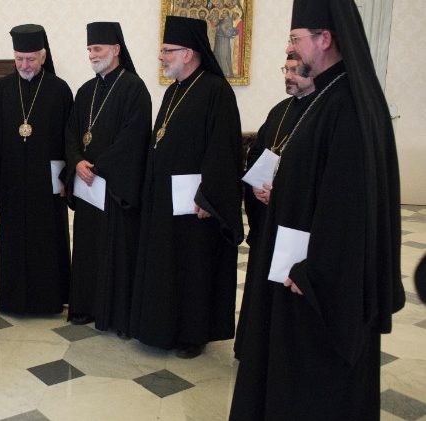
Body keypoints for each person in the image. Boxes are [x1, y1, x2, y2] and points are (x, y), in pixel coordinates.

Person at [229, 0, 404, 420]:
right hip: (297, 264)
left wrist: (315, 271)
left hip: (316, 277)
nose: (291, 47)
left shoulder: (347, 106)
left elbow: (349, 208)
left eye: (296, 39)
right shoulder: (324, 98)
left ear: (325, 39)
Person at [128, 16, 243, 359]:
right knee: (166, 265)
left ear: (189, 53)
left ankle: (193, 334)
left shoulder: (216, 91)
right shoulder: (173, 91)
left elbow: (223, 150)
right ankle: (161, 326)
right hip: (164, 201)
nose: (161, 56)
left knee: (192, 267)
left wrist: (210, 195)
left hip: (195, 205)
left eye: (167, 50)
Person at [65, 22, 151, 335]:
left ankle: (114, 313)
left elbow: (134, 138)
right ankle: (85, 307)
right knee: (87, 248)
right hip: (88, 187)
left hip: (114, 187)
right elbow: (72, 133)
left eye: (97, 48)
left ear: (115, 50)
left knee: (115, 250)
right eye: (89, 49)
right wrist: (76, 162)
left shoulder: (133, 88)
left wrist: (98, 167)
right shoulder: (85, 91)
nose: (92, 54)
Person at [233, 55, 316, 360]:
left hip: (294, 222)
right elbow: (257, 154)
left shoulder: (321, 112)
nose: (288, 76)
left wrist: (281, 193)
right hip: (266, 216)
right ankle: (253, 347)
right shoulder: (280, 111)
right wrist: (255, 186)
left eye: (295, 71)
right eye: (286, 70)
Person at [0, 24, 73, 315]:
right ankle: (12, 300)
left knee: (46, 240)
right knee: (13, 241)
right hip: (12, 180)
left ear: (43, 56)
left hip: (46, 181)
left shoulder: (59, 89)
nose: (24, 65)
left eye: (31, 59)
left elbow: (69, 137)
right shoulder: (2, 88)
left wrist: (66, 177)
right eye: (19, 59)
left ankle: (48, 300)